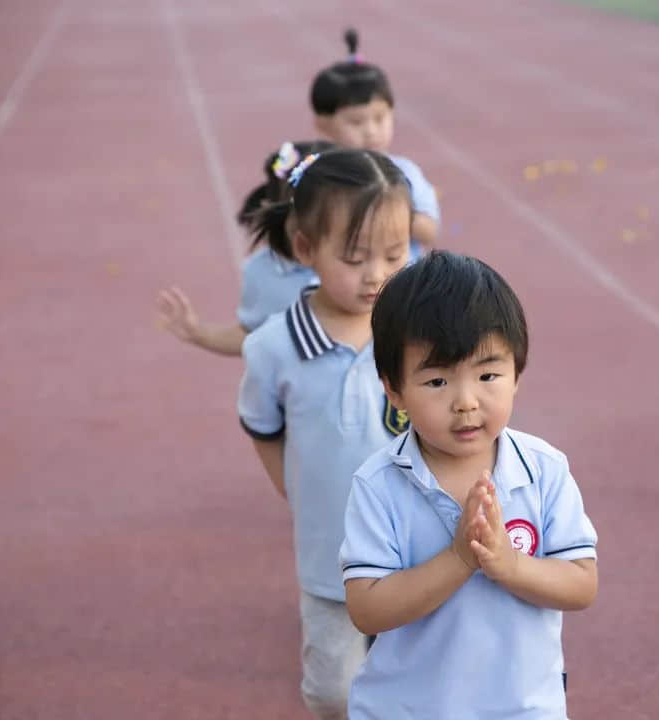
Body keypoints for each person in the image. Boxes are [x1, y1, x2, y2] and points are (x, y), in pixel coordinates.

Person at [340, 251, 598, 718]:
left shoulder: (544, 469)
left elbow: (581, 584)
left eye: (488, 375)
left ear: (517, 372)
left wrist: (508, 564)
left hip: (522, 708)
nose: (465, 401)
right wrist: (459, 558)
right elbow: (366, 609)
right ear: (394, 390)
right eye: (437, 381)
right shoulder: (379, 484)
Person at [237, 148, 412, 718]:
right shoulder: (273, 347)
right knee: (334, 689)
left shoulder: (413, 331)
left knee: (415, 673)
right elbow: (262, 426)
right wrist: (289, 484)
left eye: (395, 253)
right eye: (356, 258)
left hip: (415, 548)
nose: (378, 275)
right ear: (307, 248)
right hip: (330, 556)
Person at [156, 140, 331, 355]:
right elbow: (253, 336)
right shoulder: (262, 271)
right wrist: (199, 333)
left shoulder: (368, 262)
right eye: (306, 214)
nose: (320, 226)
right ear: (272, 212)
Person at [309, 29, 440, 255]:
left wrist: (386, 209)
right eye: (356, 122)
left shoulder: (405, 172)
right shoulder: (317, 173)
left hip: (402, 285)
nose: (371, 131)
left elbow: (429, 231)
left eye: (380, 118)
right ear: (324, 124)